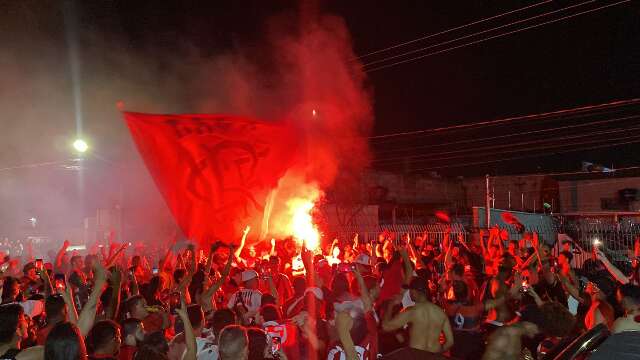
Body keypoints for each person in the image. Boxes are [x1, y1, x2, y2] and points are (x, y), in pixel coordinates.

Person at [382, 277, 454, 356]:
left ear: (414, 292)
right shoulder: (440, 312)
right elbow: (450, 341)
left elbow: (386, 327)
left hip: (417, 355)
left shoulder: (412, 311)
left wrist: (390, 305)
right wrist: (439, 352)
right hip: (434, 355)